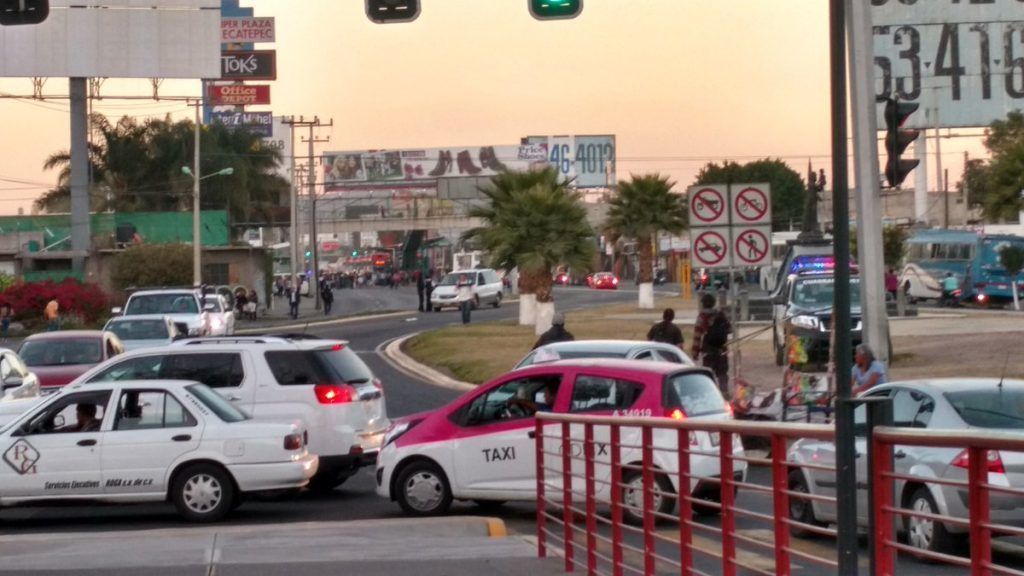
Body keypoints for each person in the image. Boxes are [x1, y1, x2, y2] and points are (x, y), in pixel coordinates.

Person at [691, 293, 731, 397]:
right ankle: (724, 392)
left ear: (703, 304)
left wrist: (695, 352)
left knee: (709, 373)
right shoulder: (721, 314)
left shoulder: (702, 317)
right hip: (722, 349)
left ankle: (711, 395)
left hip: (708, 351)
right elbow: (729, 329)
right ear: (714, 303)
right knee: (722, 372)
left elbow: (697, 337)